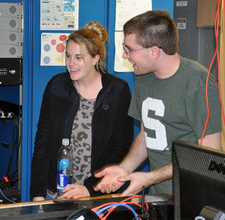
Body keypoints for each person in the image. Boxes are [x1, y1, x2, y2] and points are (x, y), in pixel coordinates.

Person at [94, 10, 222, 196]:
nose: (124, 55)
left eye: (129, 49)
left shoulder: (197, 81)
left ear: (154, 51)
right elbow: (148, 134)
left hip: (196, 196)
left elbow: (208, 154)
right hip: (160, 195)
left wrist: (151, 177)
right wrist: (124, 169)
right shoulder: (144, 77)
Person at [30, 21, 134, 201]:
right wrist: (37, 194)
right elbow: (43, 142)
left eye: (79, 57)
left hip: (99, 192)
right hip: (60, 192)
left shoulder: (118, 90)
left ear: (95, 58)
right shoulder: (57, 86)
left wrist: (89, 188)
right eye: (68, 56)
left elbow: (121, 147)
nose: (71, 63)